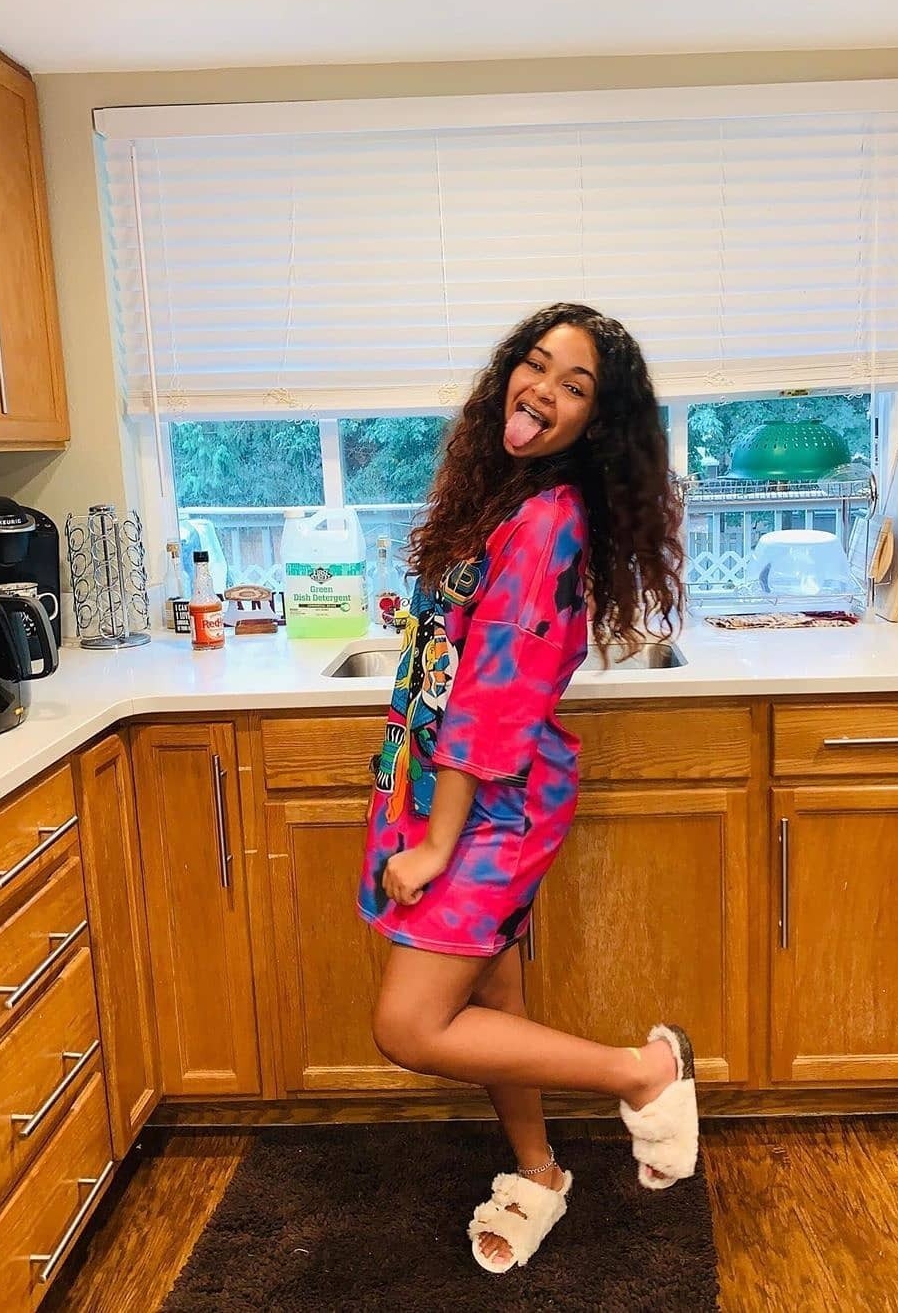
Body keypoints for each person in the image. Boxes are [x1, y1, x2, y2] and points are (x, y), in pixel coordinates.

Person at [359, 302, 691, 1274]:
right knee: (492, 989)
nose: (542, 390)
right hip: (458, 792)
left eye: (573, 386)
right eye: (536, 365)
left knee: (408, 1025)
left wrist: (437, 842)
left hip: (490, 807)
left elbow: (492, 702)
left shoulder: (547, 521)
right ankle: (540, 1170)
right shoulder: (502, 492)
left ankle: (644, 1071)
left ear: (597, 422)